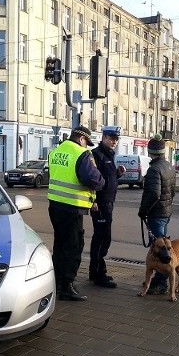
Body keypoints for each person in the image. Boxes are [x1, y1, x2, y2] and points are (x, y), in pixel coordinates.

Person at [48, 125, 106, 301]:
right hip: (72, 208)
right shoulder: (81, 154)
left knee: (59, 245)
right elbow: (93, 179)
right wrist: (102, 182)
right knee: (73, 247)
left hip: (55, 205)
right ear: (81, 139)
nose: (87, 146)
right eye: (86, 143)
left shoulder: (56, 151)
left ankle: (56, 283)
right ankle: (67, 286)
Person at [138, 134, 176, 294]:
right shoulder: (169, 166)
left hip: (156, 214)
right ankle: (157, 280)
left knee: (161, 250)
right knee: (164, 246)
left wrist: (143, 211)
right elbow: (172, 191)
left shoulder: (154, 169)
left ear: (151, 152)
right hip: (166, 212)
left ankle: (161, 282)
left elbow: (153, 193)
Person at [88, 126, 126, 288]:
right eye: (111, 138)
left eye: (116, 139)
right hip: (101, 204)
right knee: (102, 238)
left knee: (103, 238)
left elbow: (105, 177)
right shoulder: (97, 155)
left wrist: (117, 174)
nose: (114, 142)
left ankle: (96, 271)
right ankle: (98, 274)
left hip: (108, 202)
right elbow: (92, 179)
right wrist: (93, 201)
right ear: (103, 138)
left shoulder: (108, 155)